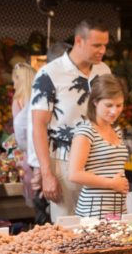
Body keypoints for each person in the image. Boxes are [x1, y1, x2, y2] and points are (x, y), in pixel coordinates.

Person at [30, 20, 111, 220]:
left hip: (99, 160)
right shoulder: (49, 73)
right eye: (97, 45)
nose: (103, 50)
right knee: (68, 228)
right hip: (64, 161)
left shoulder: (104, 71)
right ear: (78, 41)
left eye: (105, 45)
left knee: (101, 226)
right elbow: (38, 126)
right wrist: (46, 173)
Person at [67, 76, 129, 218]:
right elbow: (74, 174)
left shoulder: (117, 130)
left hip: (118, 210)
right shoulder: (85, 131)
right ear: (95, 102)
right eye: (109, 105)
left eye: (119, 105)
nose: (114, 111)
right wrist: (111, 183)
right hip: (93, 211)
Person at [10, 62, 38, 207]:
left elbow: (19, 133)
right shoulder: (41, 99)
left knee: (33, 197)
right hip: (43, 152)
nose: (13, 85)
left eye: (14, 81)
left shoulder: (18, 100)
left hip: (29, 154)